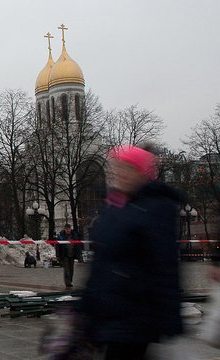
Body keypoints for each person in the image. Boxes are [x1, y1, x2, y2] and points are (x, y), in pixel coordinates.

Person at [79, 144, 183, 359]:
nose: (121, 174)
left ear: (142, 174)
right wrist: (86, 305)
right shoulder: (114, 208)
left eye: (129, 168)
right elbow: (100, 263)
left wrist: (170, 316)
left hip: (136, 316)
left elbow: (166, 266)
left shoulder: (155, 209)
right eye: (118, 168)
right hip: (108, 314)